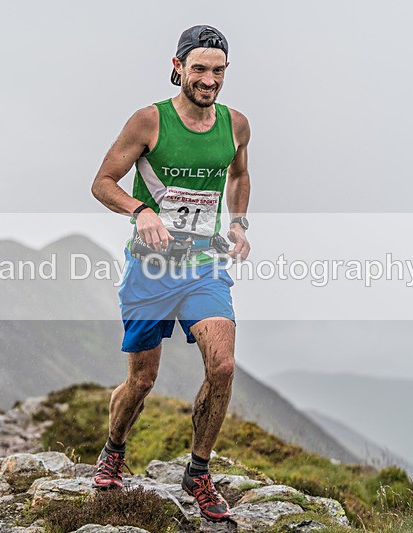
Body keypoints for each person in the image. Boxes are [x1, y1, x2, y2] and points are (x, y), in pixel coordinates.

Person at [89, 24, 251, 523]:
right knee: (142, 381)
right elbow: (102, 182)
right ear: (178, 66)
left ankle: (198, 471)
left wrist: (240, 223)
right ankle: (114, 449)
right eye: (199, 68)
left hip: (204, 266)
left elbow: (240, 174)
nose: (209, 79)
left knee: (222, 366)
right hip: (150, 269)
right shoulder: (149, 122)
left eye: (218, 71)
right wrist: (141, 211)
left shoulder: (236, 125)